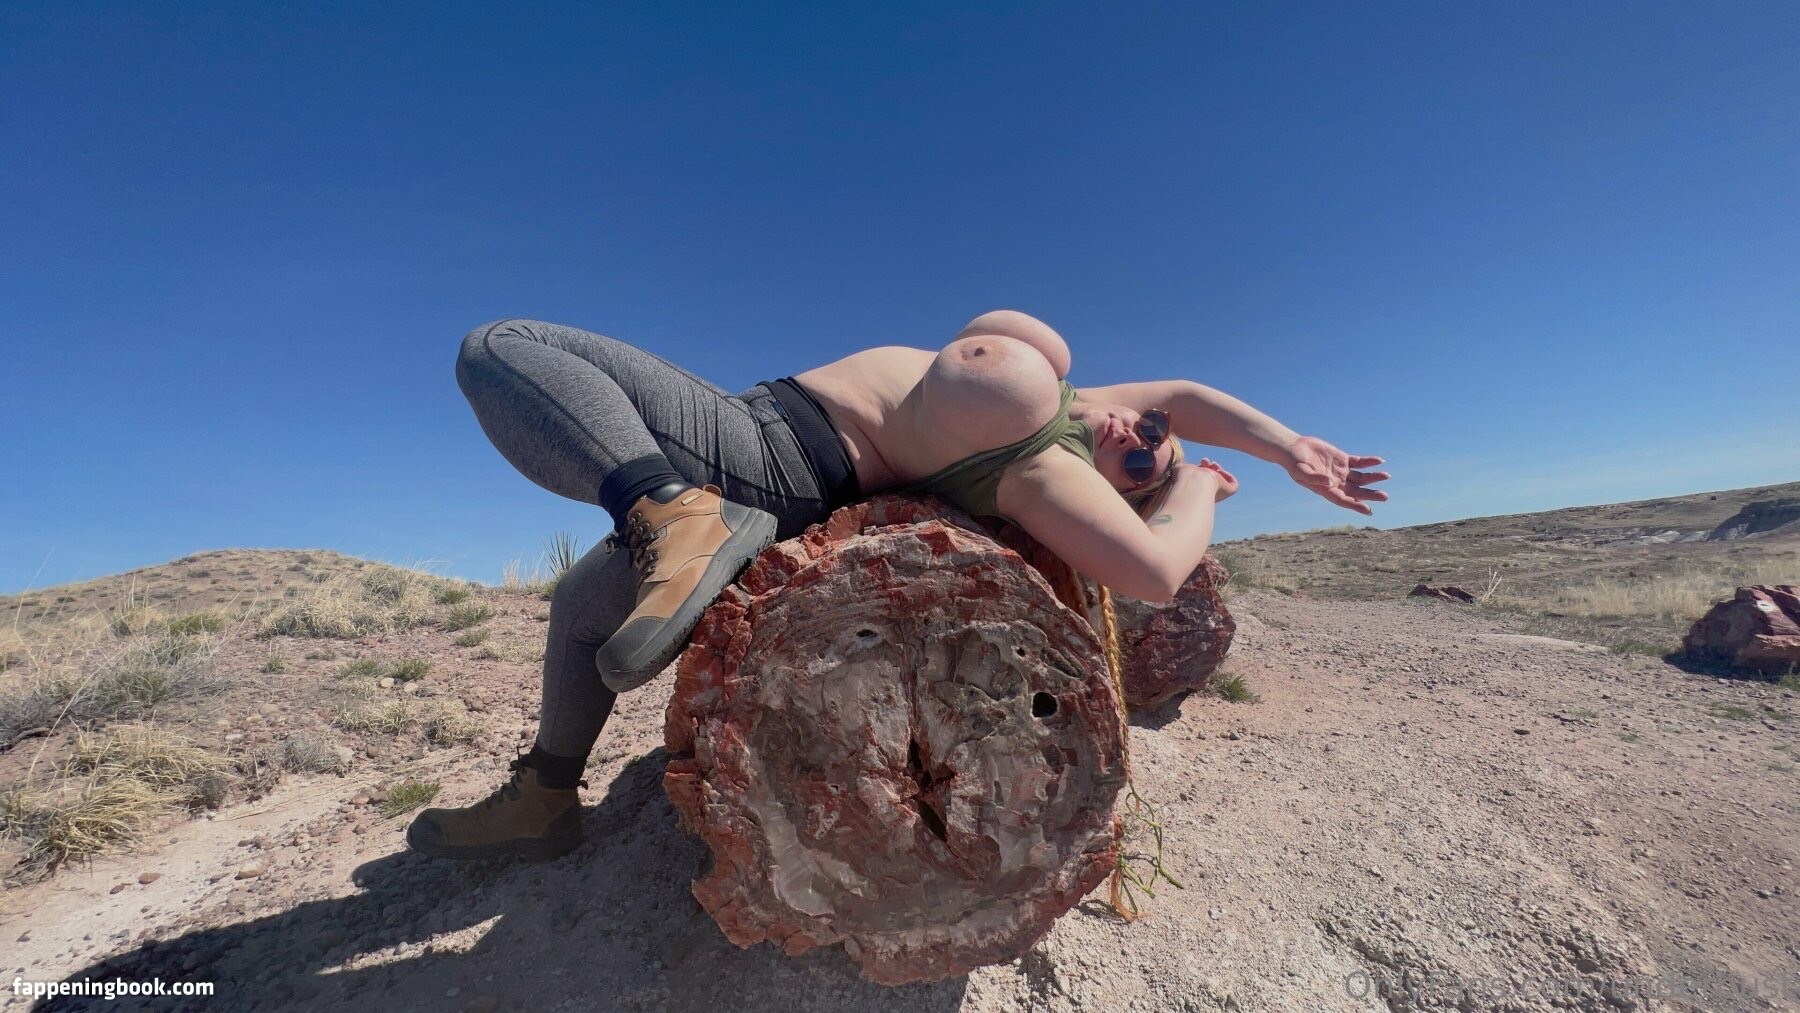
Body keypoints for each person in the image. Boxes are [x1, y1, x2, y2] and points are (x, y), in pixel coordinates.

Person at [406, 311, 1388, 861]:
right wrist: (1287, 445)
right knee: (582, 614)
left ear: (1110, 493)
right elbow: (1185, 396)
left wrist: (1200, 488)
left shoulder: (1037, 468)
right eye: (1153, 433)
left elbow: (1156, 567)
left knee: (504, 350)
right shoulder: (1092, 407)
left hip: (776, 458)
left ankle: (671, 512)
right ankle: (547, 797)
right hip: (761, 430)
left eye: (1142, 465)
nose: (1144, 434)